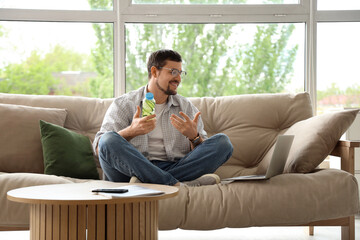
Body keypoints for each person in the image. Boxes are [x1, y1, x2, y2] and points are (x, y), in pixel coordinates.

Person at [93, 49, 233, 186]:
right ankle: (176, 184)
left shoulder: (186, 108)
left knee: (223, 143)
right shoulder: (124, 104)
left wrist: (194, 138)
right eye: (173, 72)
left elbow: (202, 153)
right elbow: (101, 148)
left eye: (180, 73)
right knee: (108, 139)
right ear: (154, 72)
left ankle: (151, 181)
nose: (178, 78)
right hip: (130, 170)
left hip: (175, 166)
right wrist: (131, 131)